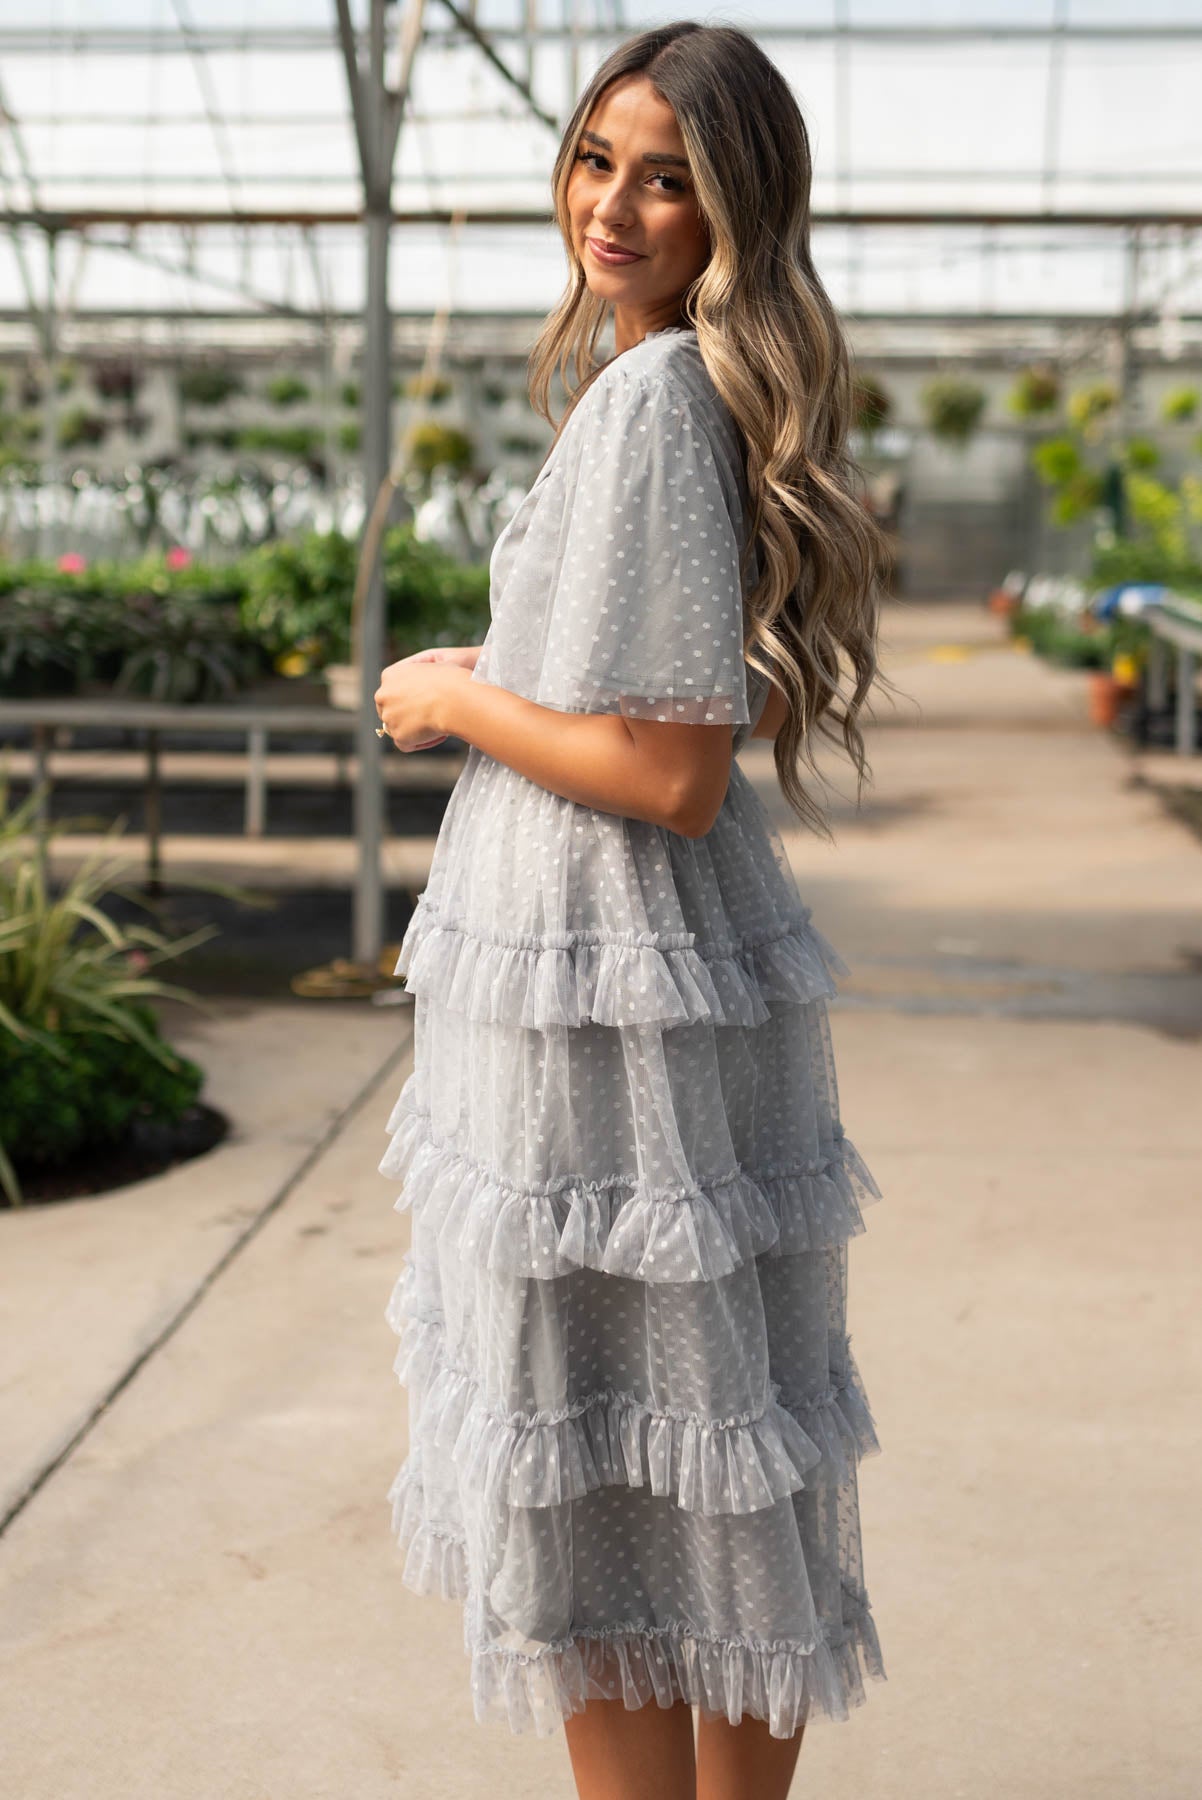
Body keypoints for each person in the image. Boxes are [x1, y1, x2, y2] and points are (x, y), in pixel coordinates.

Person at [374, 21, 890, 1799]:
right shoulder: (672, 382)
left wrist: (454, 693)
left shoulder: (658, 397)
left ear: (736, 201)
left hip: (614, 993)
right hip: (625, 972)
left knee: (603, 1473)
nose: (615, 204)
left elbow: (670, 764)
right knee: (685, 1465)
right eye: (598, 159)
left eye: (665, 174)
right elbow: (693, 712)